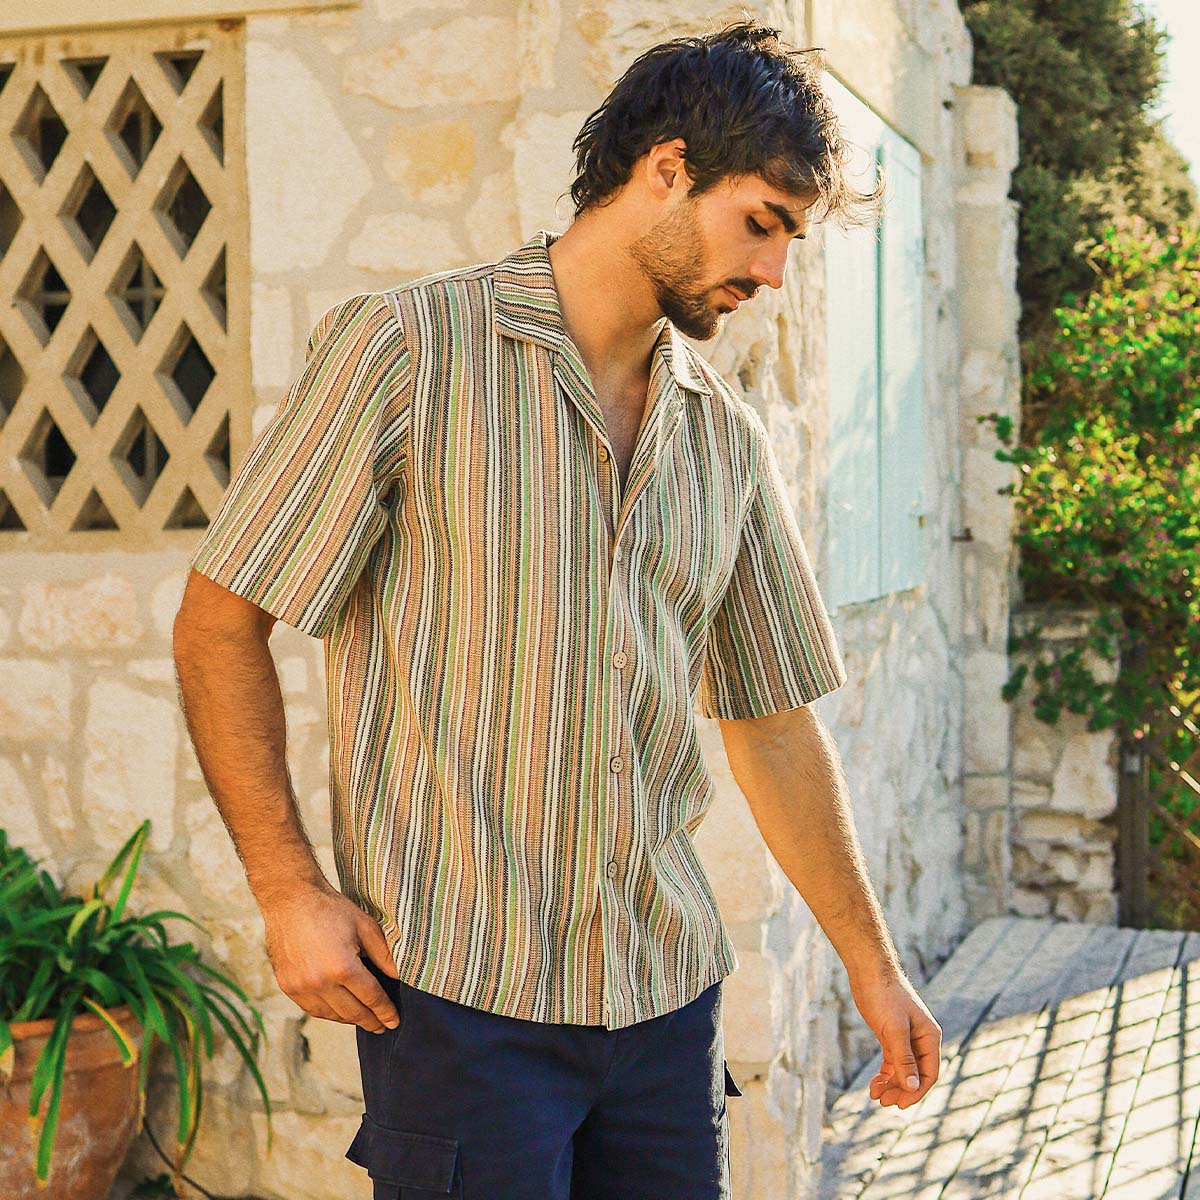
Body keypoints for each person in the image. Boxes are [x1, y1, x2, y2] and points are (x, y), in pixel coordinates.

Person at [172, 16, 942, 1199]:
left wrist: (872, 968)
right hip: (460, 1007)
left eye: (791, 238)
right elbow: (222, 620)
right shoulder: (408, 351)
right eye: (763, 223)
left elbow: (773, 722)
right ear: (666, 169)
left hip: (663, 1009)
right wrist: (288, 891)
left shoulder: (721, 438)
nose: (775, 272)